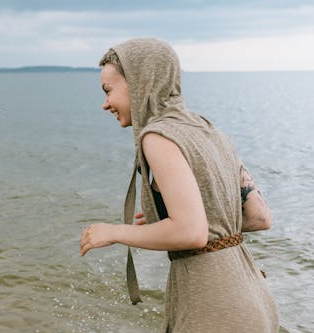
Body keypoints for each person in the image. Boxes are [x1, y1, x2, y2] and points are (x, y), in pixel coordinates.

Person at [80, 38, 279, 332]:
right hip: (253, 296)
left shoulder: (157, 136)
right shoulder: (208, 130)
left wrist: (113, 232)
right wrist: (180, 216)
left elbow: (192, 232)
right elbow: (259, 216)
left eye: (108, 90)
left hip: (214, 305)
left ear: (140, 81)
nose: (105, 103)